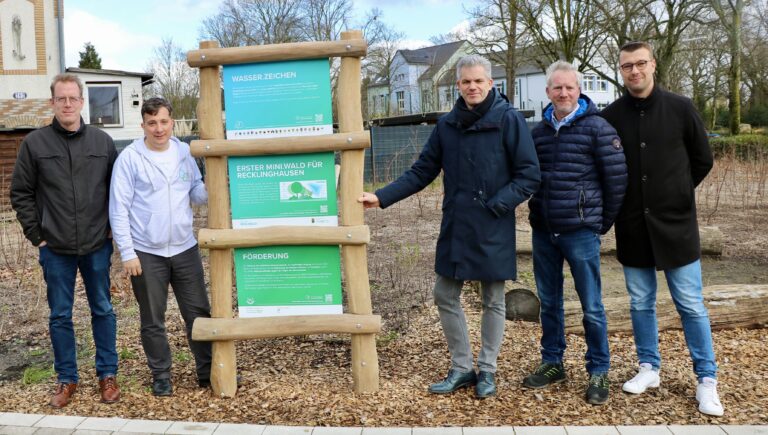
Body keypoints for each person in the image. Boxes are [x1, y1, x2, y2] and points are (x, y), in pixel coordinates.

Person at [359, 55, 541, 399]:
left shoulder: (509, 120)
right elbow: (421, 171)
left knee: (493, 298)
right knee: (444, 294)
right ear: (458, 85)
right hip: (457, 224)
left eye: (478, 81)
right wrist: (381, 197)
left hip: (492, 223)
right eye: (465, 82)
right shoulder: (447, 125)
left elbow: (529, 174)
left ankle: (487, 370)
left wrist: (498, 204)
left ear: (490, 83)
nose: (472, 87)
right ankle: (461, 367)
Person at [601, 41, 723, 416]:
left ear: (653, 65)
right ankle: (648, 367)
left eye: (640, 63)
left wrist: (678, 194)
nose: (634, 71)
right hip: (633, 226)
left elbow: (702, 159)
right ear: (620, 71)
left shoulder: (680, 108)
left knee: (690, 304)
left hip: (677, 225)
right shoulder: (611, 116)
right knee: (640, 302)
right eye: (627, 66)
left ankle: (706, 380)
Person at [10, 73, 120, 408]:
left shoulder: (102, 143)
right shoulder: (35, 144)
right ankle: (67, 378)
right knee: (60, 315)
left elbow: (118, 191)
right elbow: (21, 192)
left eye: (73, 98)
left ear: (82, 102)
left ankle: (107, 375)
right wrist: (36, 235)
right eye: (62, 99)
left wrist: (114, 229)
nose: (68, 104)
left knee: (102, 309)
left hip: (96, 244)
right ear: (53, 102)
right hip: (55, 248)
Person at [521, 61, 627, 405]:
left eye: (569, 87)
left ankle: (599, 368)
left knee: (592, 306)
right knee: (549, 303)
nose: (563, 93)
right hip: (544, 231)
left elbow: (616, 182)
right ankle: (553, 362)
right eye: (557, 88)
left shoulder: (598, 128)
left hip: (580, 232)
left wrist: (598, 223)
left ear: (578, 91)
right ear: (548, 92)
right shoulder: (536, 133)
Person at [109, 97, 212, 396]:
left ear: (172, 123)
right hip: (146, 252)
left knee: (198, 313)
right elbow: (118, 209)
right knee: (153, 318)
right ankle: (161, 375)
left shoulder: (183, 152)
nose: (158, 128)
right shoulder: (129, 158)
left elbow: (195, 189)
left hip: (184, 247)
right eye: (152, 123)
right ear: (143, 125)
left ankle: (206, 372)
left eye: (164, 122)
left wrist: (214, 187)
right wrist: (127, 252)